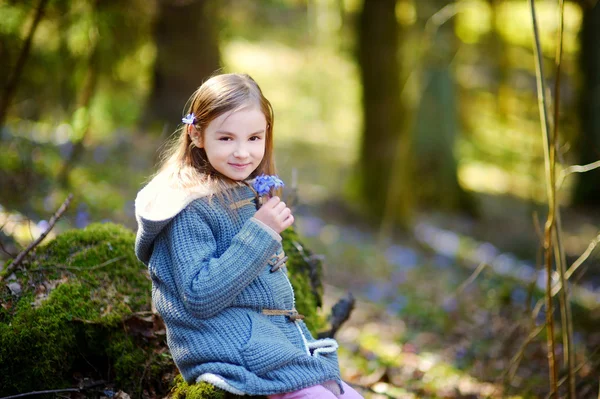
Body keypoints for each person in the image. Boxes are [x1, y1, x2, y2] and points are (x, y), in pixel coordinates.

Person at [134, 73, 364, 398]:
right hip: (226, 345)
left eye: (254, 138)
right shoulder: (188, 206)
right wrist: (261, 232)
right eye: (226, 138)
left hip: (267, 339)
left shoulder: (240, 188)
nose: (243, 152)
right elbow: (199, 297)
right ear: (196, 134)